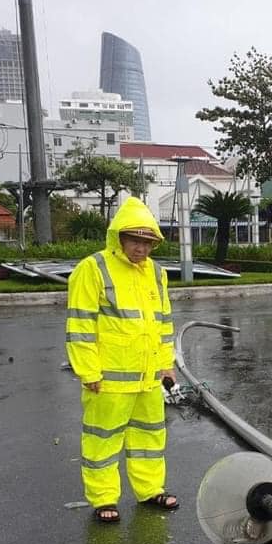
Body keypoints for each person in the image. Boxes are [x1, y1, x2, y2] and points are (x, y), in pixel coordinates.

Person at [65, 196, 179, 523]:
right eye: (134, 240)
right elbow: (80, 324)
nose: (141, 248)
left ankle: (150, 490)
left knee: (150, 437)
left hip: (147, 379)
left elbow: (162, 323)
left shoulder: (156, 274)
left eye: (147, 242)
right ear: (119, 237)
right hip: (109, 379)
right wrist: (88, 371)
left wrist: (165, 364)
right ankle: (103, 499)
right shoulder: (93, 268)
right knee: (103, 440)